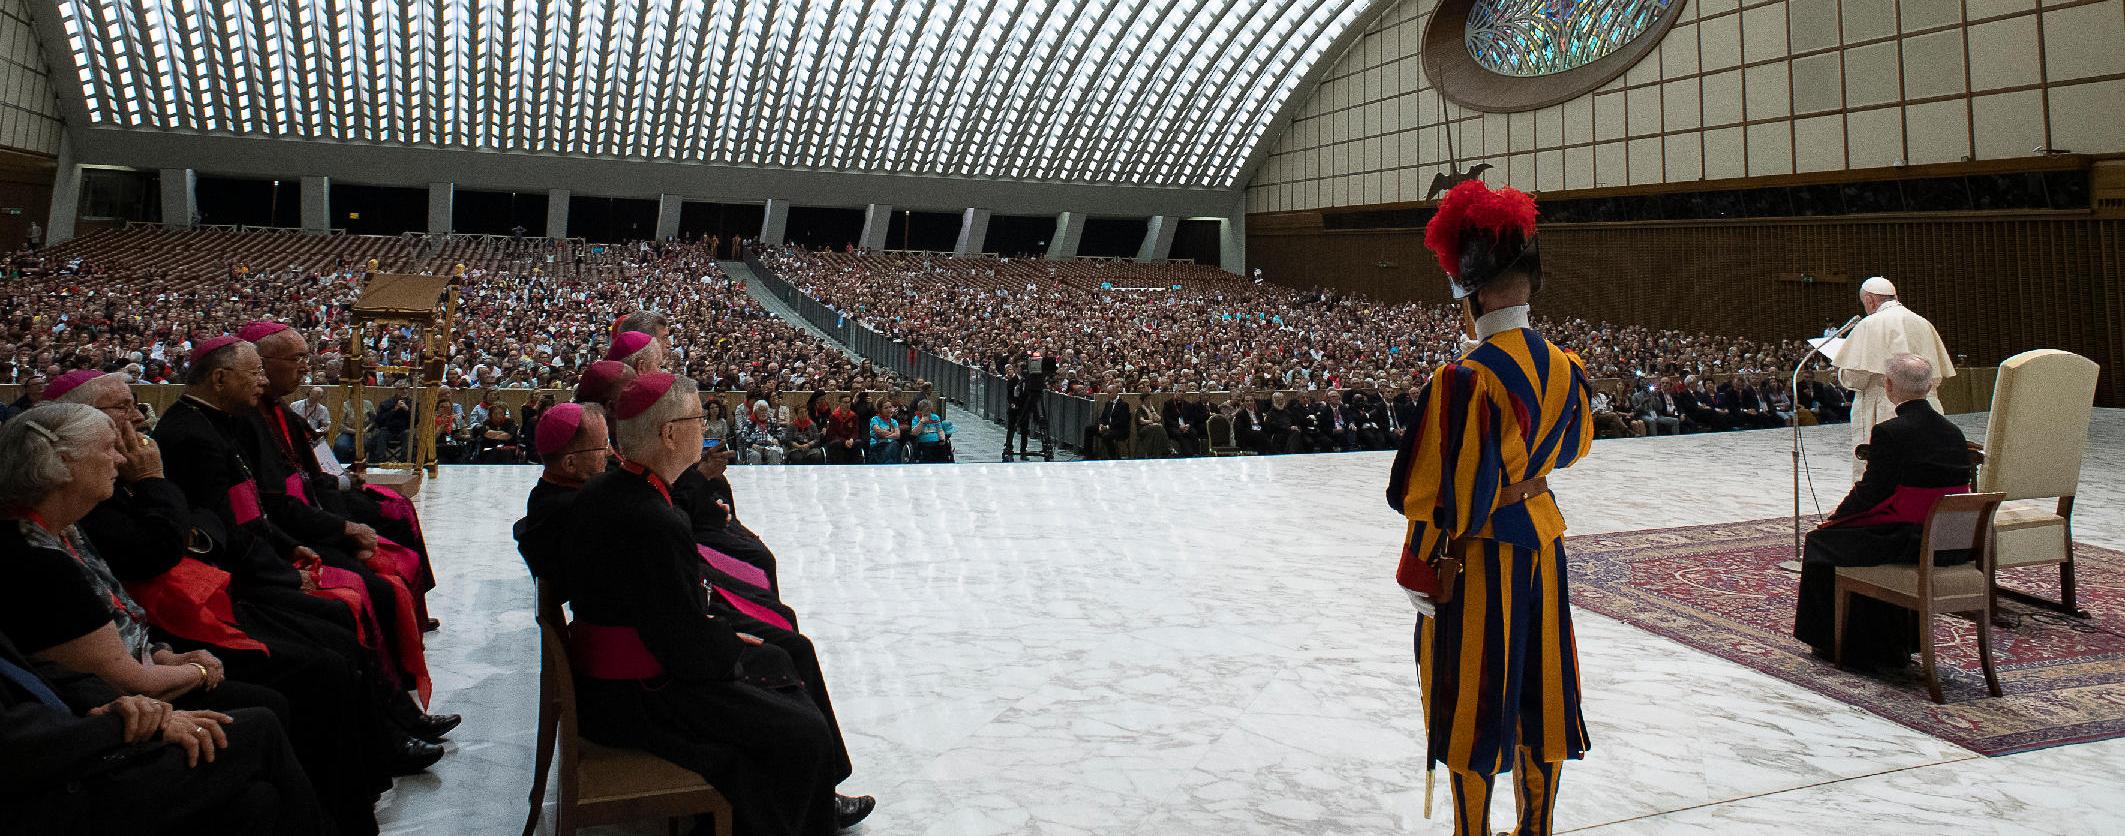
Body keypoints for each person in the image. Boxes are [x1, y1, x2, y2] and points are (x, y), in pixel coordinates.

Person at [553, 372, 870, 836]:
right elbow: (685, 649)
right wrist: (726, 640)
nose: (705, 430)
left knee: (780, 664)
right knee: (803, 732)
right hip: (642, 697)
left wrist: (718, 635)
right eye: (697, 419)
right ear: (669, 433)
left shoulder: (606, 491)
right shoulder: (654, 519)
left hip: (621, 680)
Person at [1390, 180, 1593, 836]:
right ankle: (1535, 829)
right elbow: (1572, 449)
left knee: (1467, 694)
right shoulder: (1565, 367)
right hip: (1544, 541)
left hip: (1479, 556)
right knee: (1543, 690)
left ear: (1471, 294)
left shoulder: (1464, 379)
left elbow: (1439, 496)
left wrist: (1419, 571)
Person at [0, 628, 323, 835]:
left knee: (256, 802)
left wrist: (121, 704)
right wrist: (122, 725)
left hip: (80, 745)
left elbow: (45, 674)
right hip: (48, 795)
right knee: (258, 727)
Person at [1793, 354, 1973, 668]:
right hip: (1951, 542)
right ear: (1929, 385)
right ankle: (1897, 641)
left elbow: (1871, 494)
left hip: (1908, 541)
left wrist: (1835, 519)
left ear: (1888, 386)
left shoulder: (1891, 433)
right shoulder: (1953, 432)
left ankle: (1841, 645)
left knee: (1820, 543)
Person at [1833, 276, 1955, 479]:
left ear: (1870, 300)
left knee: (1884, 472)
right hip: (1928, 408)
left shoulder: (1869, 324)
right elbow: (1935, 377)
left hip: (1885, 408)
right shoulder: (1923, 323)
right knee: (1924, 467)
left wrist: (1841, 372)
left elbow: (1856, 378)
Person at [866, 400, 902, 465]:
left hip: (890, 444)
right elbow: (878, 431)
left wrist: (885, 435)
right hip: (877, 445)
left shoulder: (894, 421)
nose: (889, 409)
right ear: (880, 410)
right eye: (886, 408)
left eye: (890, 407)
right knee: (892, 446)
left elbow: (897, 435)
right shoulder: (875, 419)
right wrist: (892, 432)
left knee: (895, 444)